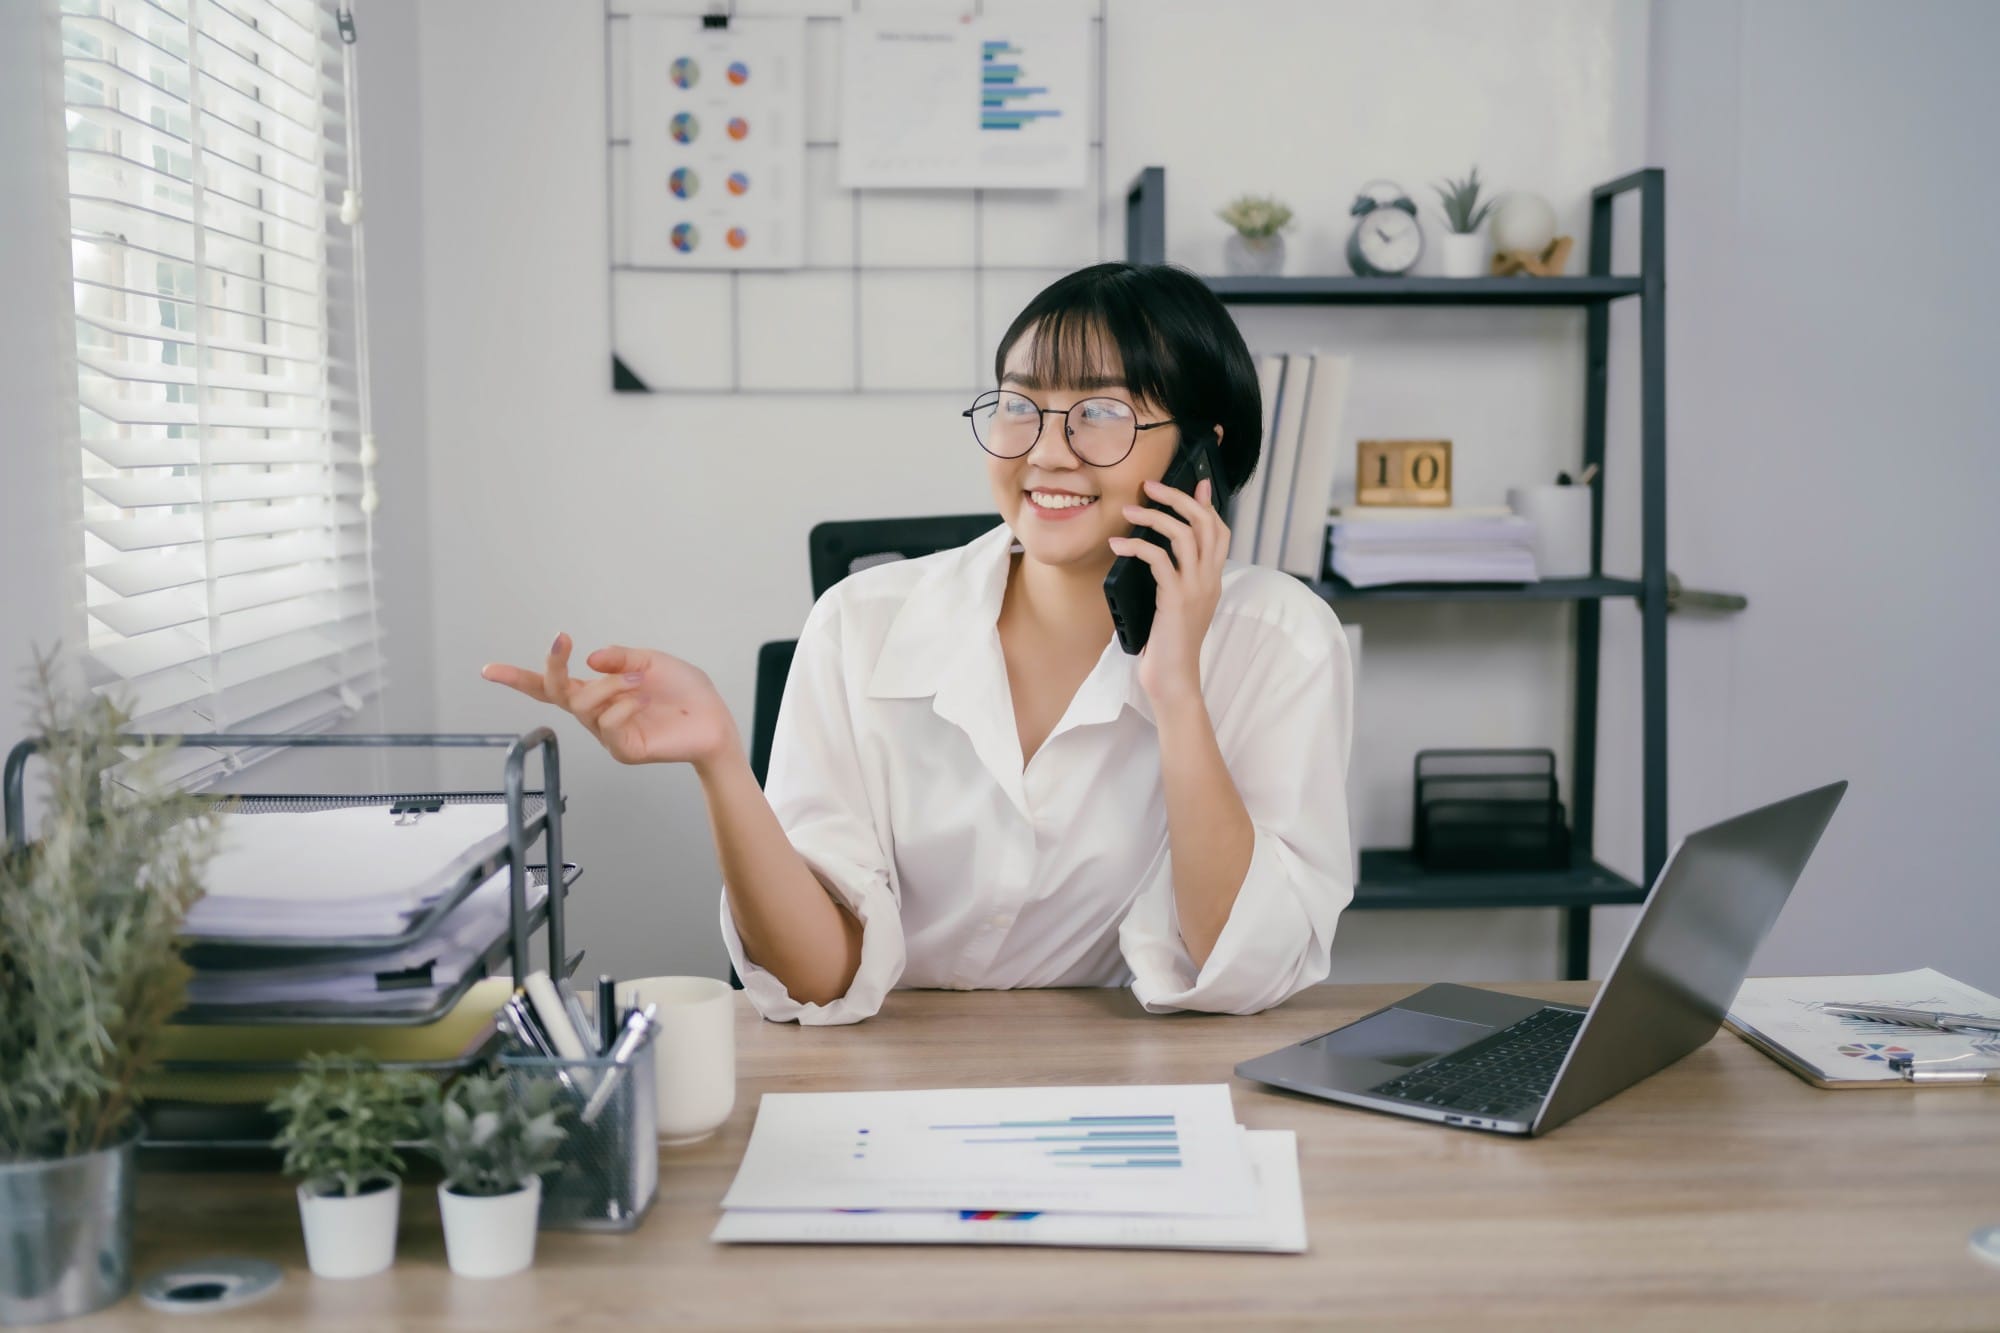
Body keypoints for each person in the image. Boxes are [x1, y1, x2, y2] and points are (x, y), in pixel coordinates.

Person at [483, 262, 1354, 1025]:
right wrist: (719, 760)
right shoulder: (860, 622)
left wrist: (1176, 693)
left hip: (1141, 1081)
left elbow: (1243, 971)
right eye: (1019, 406)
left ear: (1201, 453)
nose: (1045, 452)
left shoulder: (1280, 641)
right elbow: (819, 978)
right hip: (886, 1078)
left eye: (1100, 413)